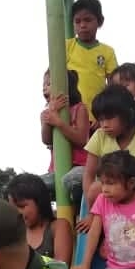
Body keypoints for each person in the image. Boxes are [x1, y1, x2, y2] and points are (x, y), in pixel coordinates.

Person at [82, 85, 135, 207]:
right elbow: (89, 175)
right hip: (110, 196)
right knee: (95, 188)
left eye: (109, 118)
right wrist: (91, 211)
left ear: (128, 114)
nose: (104, 125)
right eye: (101, 120)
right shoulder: (99, 136)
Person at [39, 69, 91, 205]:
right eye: (43, 84)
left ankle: (80, 214)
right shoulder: (46, 114)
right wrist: (50, 115)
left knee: (73, 180)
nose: (44, 87)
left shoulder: (80, 109)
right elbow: (46, 140)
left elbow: (81, 139)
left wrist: (59, 123)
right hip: (56, 170)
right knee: (31, 187)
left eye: (49, 83)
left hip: (79, 166)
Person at [66, 0, 119, 118]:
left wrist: (104, 112)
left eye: (87, 20)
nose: (83, 25)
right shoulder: (67, 47)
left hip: (98, 117)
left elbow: (113, 86)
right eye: (77, 21)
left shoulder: (107, 51)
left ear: (100, 21)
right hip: (71, 116)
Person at [6, 174, 73, 264]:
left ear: (40, 202)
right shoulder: (15, 232)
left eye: (21, 206)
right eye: (12, 207)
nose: (17, 212)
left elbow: (61, 268)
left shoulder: (58, 227)